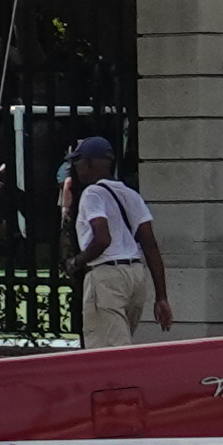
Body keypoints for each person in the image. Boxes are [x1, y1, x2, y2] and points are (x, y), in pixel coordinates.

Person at [64, 136, 167, 346]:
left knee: (107, 351)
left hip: (107, 275)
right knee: (121, 343)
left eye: (77, 162)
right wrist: (161, 297)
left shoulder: (92, 194)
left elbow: (102, 239)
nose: (76, 168)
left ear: (88, 162)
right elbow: (150, 245)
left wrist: (76, 262)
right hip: (135, 274)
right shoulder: (131, 194)